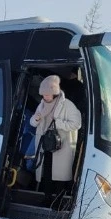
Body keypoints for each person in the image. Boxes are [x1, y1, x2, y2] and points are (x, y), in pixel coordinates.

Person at [30, 75, 82, 208]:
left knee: (60, 175)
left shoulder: (68, 105)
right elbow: (32, 122)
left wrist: (59, 123)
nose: (44, 97)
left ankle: (58, 201)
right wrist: (36, 119)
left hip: (61, 145)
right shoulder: (42, 105)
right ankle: (47, 199)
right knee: (46, 173)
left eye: (47, 94)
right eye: (43, 94)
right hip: (46, 144)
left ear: (54, 92)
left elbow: (77, 123)